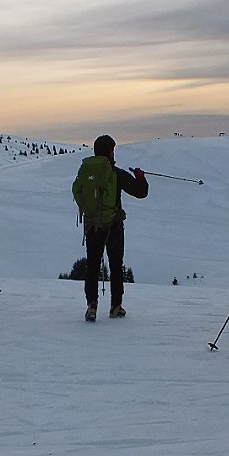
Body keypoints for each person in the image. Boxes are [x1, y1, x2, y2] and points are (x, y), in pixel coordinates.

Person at [80, 135, 149, 321]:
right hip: (114, 225)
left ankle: (91, 306)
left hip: (92, 225)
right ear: (110, 151)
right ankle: (116, 306)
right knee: (116, 265)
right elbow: (141, 192)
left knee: (92, 266)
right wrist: (140, 177)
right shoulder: (115, 173)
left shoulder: (87, 171)